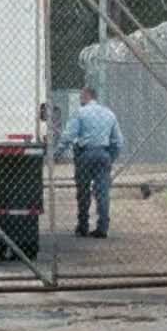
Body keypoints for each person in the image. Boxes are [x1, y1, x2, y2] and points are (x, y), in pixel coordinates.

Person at [54, 86, 124, 238]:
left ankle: (83, 226)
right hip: (103, 154)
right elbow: (118, 142)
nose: (80, 100)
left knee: (83, 191)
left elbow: (68, 136)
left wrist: (56, 154)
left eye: (81, 96)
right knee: (102, 192)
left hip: (85, 155)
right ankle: (102, 227)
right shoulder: (109, 114)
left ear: (87, 96)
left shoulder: (80, 113)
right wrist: (110, 157)